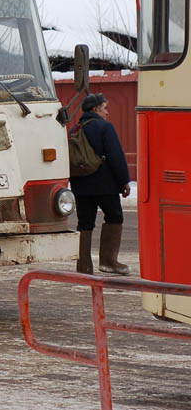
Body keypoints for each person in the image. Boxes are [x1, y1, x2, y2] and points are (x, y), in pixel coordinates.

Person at [70, 93, 132, 275]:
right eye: (105, 108)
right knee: (114, 217)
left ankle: (84, 266)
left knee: (84, 224)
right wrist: (124, 182)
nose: (107, 113)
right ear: (96, 110)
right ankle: (108, 261)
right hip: (105, 185)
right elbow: (116, 156)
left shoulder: (74, 129)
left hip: (81, 186)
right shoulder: (104, 127)